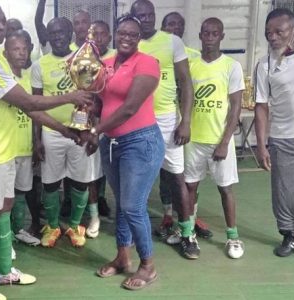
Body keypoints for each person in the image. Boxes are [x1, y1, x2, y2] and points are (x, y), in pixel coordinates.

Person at [0, 2, 92, 299]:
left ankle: (4, 270)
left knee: (5, 208)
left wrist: (64, 130)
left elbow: (27, 110)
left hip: (3, 150)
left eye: (2, 22)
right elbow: (30, 102)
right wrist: (71, 96)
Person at [87, 14, 163, 290]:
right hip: (112, 143)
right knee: (122, 202)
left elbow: (130, 107)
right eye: (122, 33)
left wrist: (95, 131)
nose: (127, 38)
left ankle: (148, 265)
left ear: (139, 37)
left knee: (133, 206)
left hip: (140, 142)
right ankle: (122, 257)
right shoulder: (105, 64)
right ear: (115, 35)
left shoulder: (147, 63)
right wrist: (87, 121)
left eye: (133, 34)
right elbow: (98, 102)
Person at [131, 0, 199, 259]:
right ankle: (134, 232)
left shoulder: (172, 42)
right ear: (134, 18)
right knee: (136, 177)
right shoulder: (129, 43)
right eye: (141, 15)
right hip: (138, 120)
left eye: (150, 15)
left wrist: (185, 121)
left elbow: (186, 83)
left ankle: (187, 234)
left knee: (176, 177)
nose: (146, 19)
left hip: (167, 120)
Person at [32, 17, 95, 248]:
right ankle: (52, 225)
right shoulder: (40, 65)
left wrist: (92, 130)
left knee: (79, 182)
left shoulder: (83, 60)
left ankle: (76, 224)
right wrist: (36, 139)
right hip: (51, 131)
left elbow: (91, 98)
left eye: (61, 32)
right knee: (50, 182)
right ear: (48, 36)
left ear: (70, 34)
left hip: (80, 133)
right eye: (52, 32)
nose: (57, 36)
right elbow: (35, 103)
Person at [186, 18, 245, 259]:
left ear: (221, 36)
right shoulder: (190, 65)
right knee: (190, 187)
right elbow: (185, 100)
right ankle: (188, 233)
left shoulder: (232, 66)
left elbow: (236, 108)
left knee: (225, 189)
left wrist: (224, 142)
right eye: (206, 33)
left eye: (215, 33)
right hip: (193, 140)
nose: (210, 37)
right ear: (200, 36)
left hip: (219, 140)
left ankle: (232, 237)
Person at [160, 11, 213, 240]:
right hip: (166, 119)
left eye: (179, 24)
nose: (175, 28)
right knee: (166, 172)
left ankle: (190, 215)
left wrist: (187, 121)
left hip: (188, 122)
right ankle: (168, 214)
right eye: (170, 24)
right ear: (163, 27)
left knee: (188, 172)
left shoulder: (192, 55)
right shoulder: (157, 51)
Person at [255, 8, 294, 257]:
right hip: (282, 138)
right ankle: (290, 235)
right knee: (283, 192)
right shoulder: (265, 64)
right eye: (268, 33)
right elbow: (261, 106)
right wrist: (262, 145)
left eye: (278, 32)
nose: (273, 37)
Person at [3, 31, 40, 246]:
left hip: (25, 147)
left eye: (24, 49)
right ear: (5, 52)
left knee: (21, 190)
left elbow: (35, 111)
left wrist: (36, 140)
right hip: (5, 148)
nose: (21, 53)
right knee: (5, 195)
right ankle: (4, 234)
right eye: (16, 49)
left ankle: (17, 230)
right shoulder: (3, 78)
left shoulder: (28, 78)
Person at [84, 20, 115, 239]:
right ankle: (93, 217)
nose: (99, 38)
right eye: (95, 35)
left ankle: (123, 214)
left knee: (118, 173)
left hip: (117, 123)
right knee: (93, 172)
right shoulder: (85, 58)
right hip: (94, 121)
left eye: (103, 34)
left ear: (110, 37)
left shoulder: (118, 57)